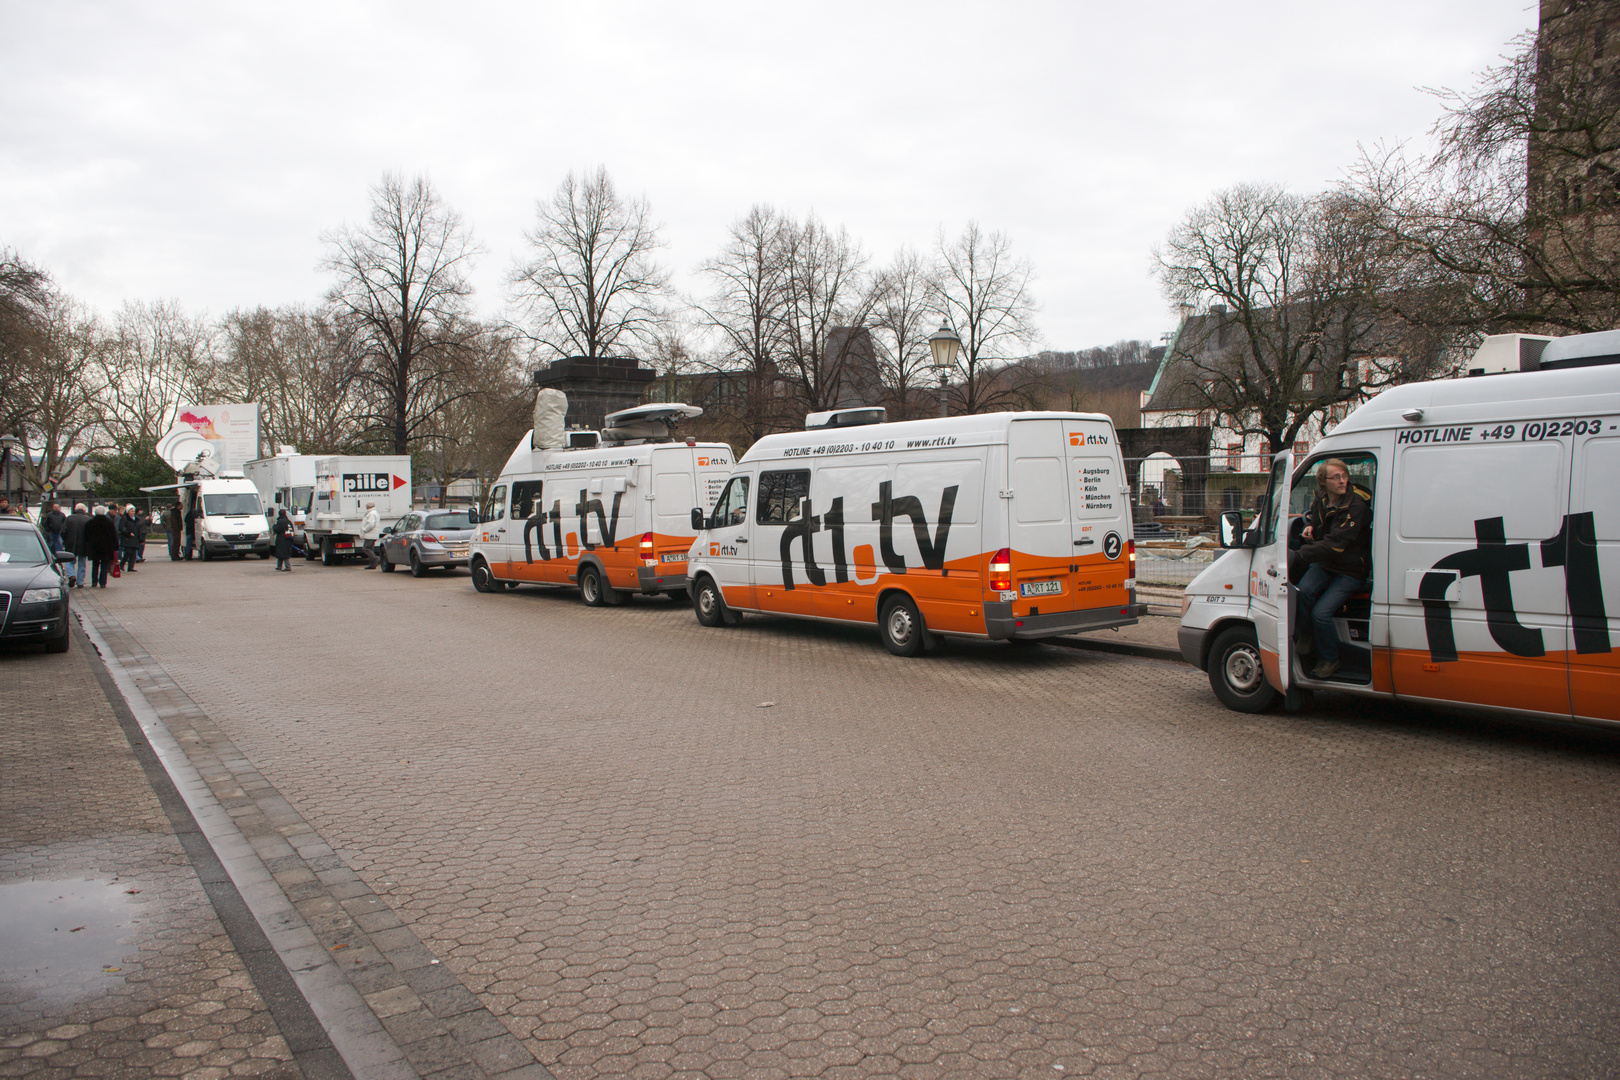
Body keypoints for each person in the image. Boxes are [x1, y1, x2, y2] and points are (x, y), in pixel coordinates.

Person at [1293, 458, 1372, 680]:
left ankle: (1329, 659)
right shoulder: (1321, 500)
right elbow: (1321, 526)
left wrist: (1298, 556)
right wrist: (1310, 527)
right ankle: (1306, 636)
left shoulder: (1356, 506)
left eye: (1344, 476)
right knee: (1304, 592)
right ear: (1323, 482)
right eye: (1336, 477)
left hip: (1350, 569)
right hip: (1327, 563)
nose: (1342, 481)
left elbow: (1335, 544)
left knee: (1321, 613)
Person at [85, 505, 119, 587]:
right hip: (106, 548)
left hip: (94, 548)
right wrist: (116, 547)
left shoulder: (90, 523)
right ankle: (103, 582)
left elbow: (86, 536)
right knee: (104, 565)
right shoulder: (109, 522)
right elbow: (114, 535)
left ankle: (94, 582)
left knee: (95, 565)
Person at [63, 503, 89, 587]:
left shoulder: (69, 518)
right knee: (82, 563)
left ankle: (71, 575)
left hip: (70, 543)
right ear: (84, 510)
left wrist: (65, 540)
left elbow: (63, 531)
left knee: (69, 561)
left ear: (75, 509)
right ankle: (80, 582)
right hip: (83, 544)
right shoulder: (88, 519)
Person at [117, 505, 140, 572]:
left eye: (134, 511)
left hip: (135, 537)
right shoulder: (124, 518)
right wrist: (128, 533)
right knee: (128, 552)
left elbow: (139, 527)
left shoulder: (136, 519)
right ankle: (122, 564)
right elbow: (122, 527)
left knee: (133, 553)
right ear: (128, 511)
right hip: (128, 538)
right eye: (131, 511)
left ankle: (130, 567)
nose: (133, 512)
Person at [359, 502, 381, 568]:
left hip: (370, 534)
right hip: (372, 534)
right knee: (370, 549)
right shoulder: (374, 512)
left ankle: (375, 559)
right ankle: (372, 565)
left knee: (366, 548)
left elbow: (371, 524)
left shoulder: (371, 513)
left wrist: (365, 530)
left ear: (368, 506)